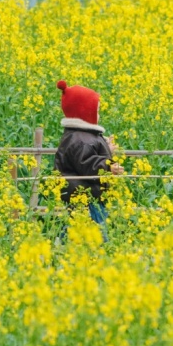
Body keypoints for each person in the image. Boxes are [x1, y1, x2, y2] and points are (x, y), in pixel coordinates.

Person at [53, 79, 124, 236]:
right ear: (84, 112)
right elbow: (87, 163)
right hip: (86, 197)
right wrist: (108, 166)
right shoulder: (81, 139)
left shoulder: (82, 136)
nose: (98, 114)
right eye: (96, 110)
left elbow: (87, 158)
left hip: (84, 195)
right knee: (96, 234)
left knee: (77, 229)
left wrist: (108, 150)